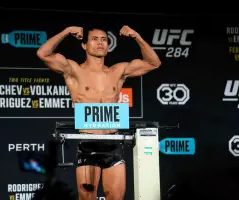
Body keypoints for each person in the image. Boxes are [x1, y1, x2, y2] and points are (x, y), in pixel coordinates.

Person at [36, 24, 161, 200]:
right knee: (87, 197)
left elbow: (153, 63)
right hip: (88, 142)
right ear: (84, 45)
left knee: (115, 197)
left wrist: (136, 36)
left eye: (104, 39)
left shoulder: (117, 71)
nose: (100, 43)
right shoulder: (74, 70)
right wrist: (65, 31)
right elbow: (43, 53)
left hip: (113, 143)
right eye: (94, 39)